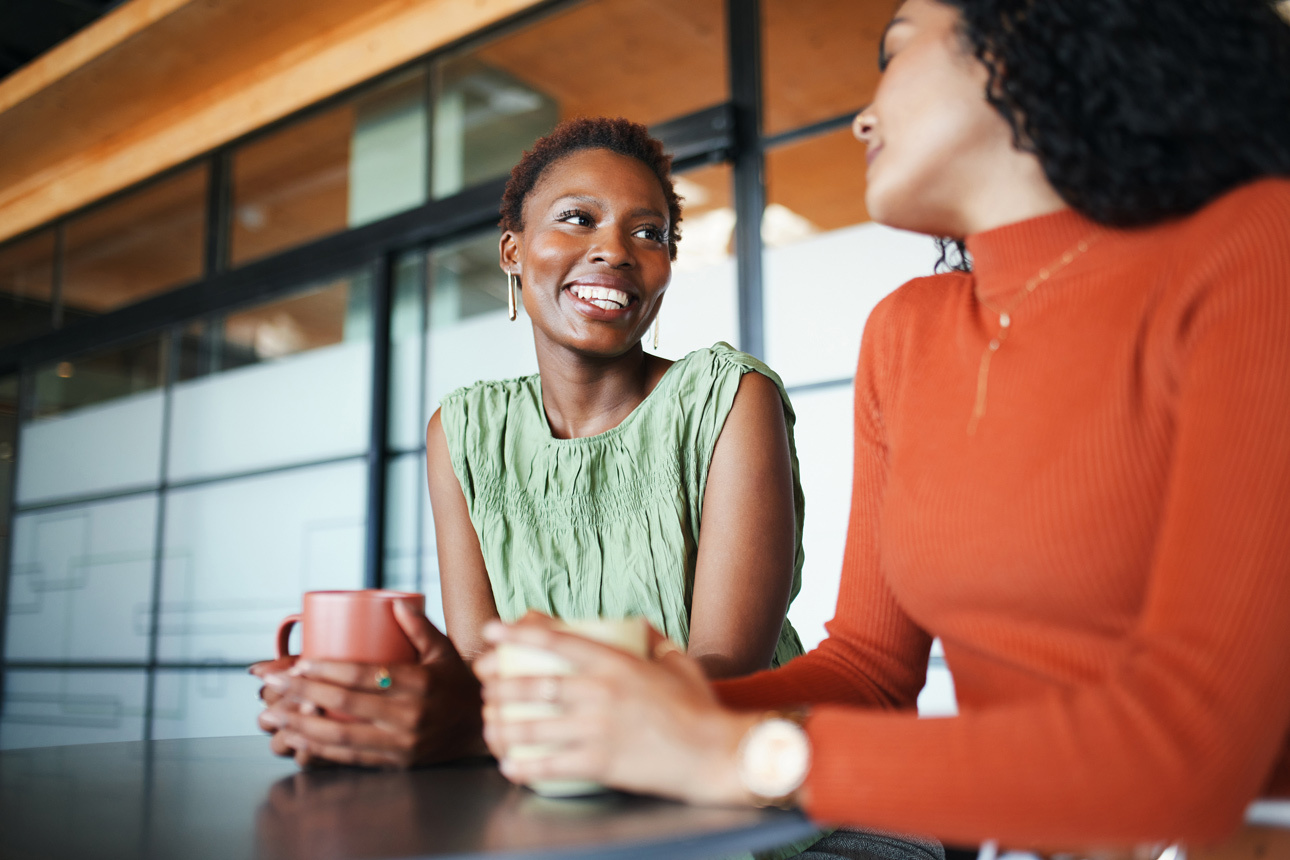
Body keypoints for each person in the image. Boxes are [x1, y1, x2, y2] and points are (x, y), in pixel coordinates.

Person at [474, 0, 1290, 854]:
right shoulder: (908, 331)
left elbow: (1189, 750)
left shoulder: (1253, 251)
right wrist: (641, 706)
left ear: (1022, 41)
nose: (863, 116)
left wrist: (734, 752)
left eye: (894, 53)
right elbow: (870, 670)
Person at [252, 118, 808, 767]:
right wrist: (379, 702)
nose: (615, 251)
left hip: (736, 774)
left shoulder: (730, 398)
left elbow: (729, 670)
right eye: (578, 218)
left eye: (648, 233)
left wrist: (482, 713)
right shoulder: (463, 433)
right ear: (512, 252)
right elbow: (477, 664)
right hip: (543, 777)